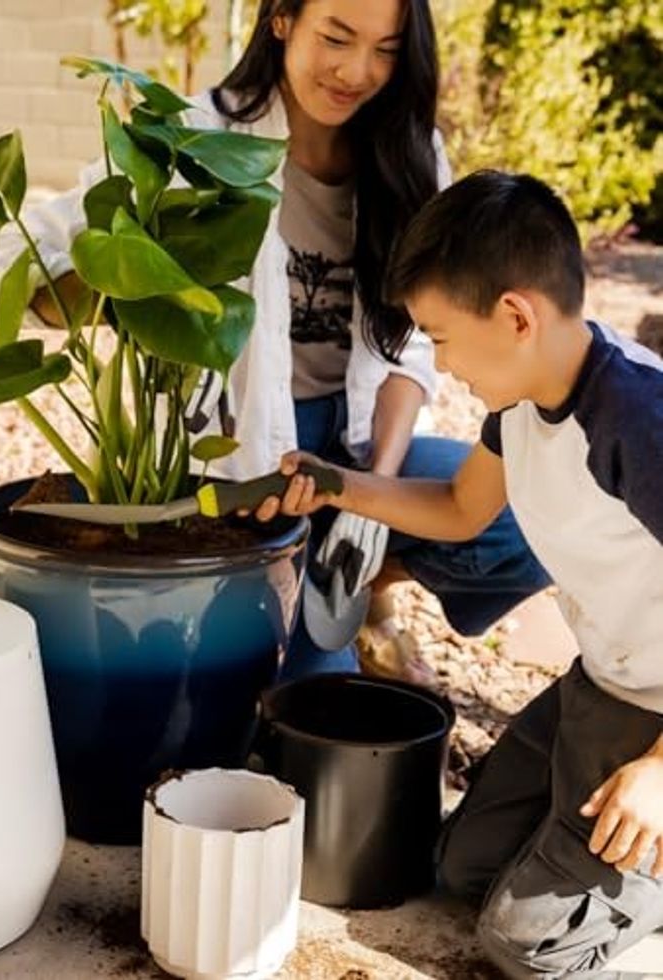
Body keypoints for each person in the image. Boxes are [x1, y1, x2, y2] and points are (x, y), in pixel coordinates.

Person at [0, 0, 551, 686]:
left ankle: (362, 586)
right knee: (295, 700)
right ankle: (312, 588)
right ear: (281, 19)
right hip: (242, 465)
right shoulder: (194, 137)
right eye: (336, 37)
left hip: (358, 439)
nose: (357, 71)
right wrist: (139, 278)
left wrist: (375, 489)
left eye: (386, 50)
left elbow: (410, 348)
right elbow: (5, 266)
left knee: (531, 519)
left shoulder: (410, 152)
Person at [252, 170, 663, 977]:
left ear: (515, 316)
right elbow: (460, 508)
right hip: (599, 685)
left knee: (527, 946)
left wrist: (655, 775)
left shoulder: (638, 422)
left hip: (653, 716)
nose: (437, 361)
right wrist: (334, 483)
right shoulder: (525, 398)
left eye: (439, 336)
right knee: (463, 869)